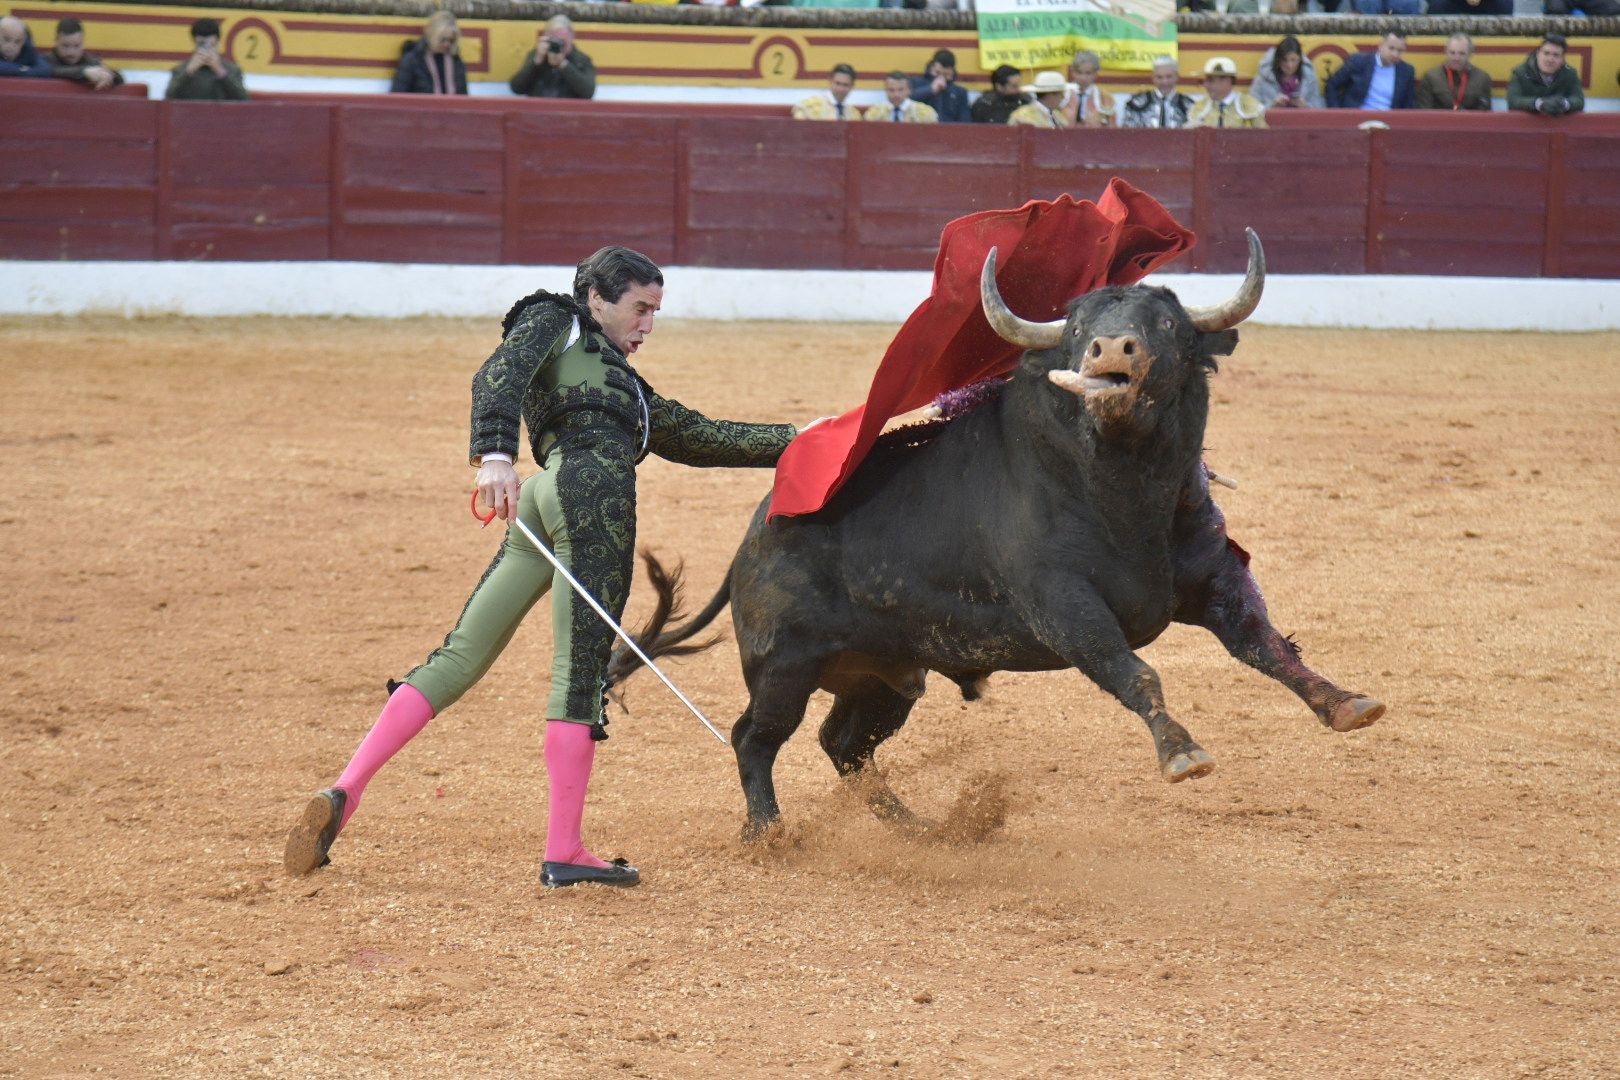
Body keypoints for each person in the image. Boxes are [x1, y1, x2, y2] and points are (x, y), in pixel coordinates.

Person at [283, 247, 808, 889]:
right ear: (596, 298)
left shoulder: (626, 387)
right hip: (591, 495)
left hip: (545, 498)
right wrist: (494, 453)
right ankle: (565, 849)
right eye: (639, 308)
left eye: (656, 312)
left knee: (458, 657)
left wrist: (805, 438)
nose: (648, 325)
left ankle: (346, 791)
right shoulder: (554, 318)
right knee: (577, 675)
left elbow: (696, 435)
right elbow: (498, 376)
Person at [509, 14, 595, 100]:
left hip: (567, 111)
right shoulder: (537, 55)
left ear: (571, 37)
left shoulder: (581, 60)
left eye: (561, 41)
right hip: (539, 109)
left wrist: (564, 65)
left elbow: (588, 92)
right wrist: (535, 62)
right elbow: (516, 88)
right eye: (553, 40)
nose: (557, 45)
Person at [1325, 31, 1415, 111]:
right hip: (1356, 118)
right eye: (1391, 48)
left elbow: (1408, 105)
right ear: (1380, 46)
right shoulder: (1358, 62)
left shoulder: (1406, 71)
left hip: (1389, 122)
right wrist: (1337, 112)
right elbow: (1332, 85)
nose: (1395, 54)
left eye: (1400, 51)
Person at [165, 18, 247, 101]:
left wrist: (220, 71)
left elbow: (243, 99)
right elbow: (169, 97)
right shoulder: (181, 69)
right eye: (201, 44)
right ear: (194, 42)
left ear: (217, 41)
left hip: (222, 113)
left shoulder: (232, 69)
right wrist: (188, 72)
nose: (205, 49)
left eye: (210, 45)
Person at [1507, 33, 1584, 116]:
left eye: (1556, 55)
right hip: (1527, 126)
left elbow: (1579, 100)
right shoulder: (1520, 72)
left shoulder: (1570, 73)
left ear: (1562, 59)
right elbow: (1513, 101)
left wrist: (1564, 104)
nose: (1550, 59)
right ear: (1538, 54)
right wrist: (1539, 104)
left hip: (1559, 125)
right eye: (1546, 53)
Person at [391, 10, 466, 95]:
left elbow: (464, 96)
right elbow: (398, 95)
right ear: (432, 36)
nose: (447, 44)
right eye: (442, 40)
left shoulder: (456, 62)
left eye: (451, 40)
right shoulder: (412, 61)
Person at [1415, 33, 1493, 112]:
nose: (1456, 58)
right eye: (1452, 53)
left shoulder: (1483, 78)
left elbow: (1484, 114)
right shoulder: (1431, 77)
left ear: (1470, 54)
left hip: (1469, 123)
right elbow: (1424, 112)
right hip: (1439, 123)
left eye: (1462, 53)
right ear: (1446, 52)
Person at [1187, 57, 1267, 129]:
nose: (1205, 85)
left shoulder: (1249, 105)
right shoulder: (1199, 107)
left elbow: (1263, 138)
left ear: (1227, 81)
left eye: (1211, 81)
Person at [1249, 36, 1323, 113]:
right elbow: (1251, 108)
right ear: (1278, 60)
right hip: (1272, 123)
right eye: (1284, 60)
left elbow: (1319, 108)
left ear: (1300, 59)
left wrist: (1305, 106)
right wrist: (1272, 106)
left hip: (1301, 123)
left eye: (1293, 60)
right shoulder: (1263, 77)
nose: (1289, 65)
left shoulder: (1309, 77)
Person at [44, 18, 123, 90]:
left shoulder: (91, 62)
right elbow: (52, 71)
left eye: (76, 46)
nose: (71, 52)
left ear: (83, 43)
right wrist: (84, 72)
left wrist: (109, 75)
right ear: (56, 41)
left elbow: (120, 79)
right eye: (65, 46)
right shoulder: (44, 61)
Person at [1121, 56, 1195, 129]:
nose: (1164, 81)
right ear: (1153, 78)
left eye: (1169, 77)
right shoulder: (1136, 104)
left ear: (1177, 77)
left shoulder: (1189, 106)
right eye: (1159, 77)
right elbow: (1127, 134)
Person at [906, 48, 970, 123]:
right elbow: (906, 101)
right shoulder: (916, 83)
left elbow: (965, 121)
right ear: (931, 67)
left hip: (948, 132)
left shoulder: (960, 92)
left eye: (946, 75)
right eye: (937, 73)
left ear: (952, 73)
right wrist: (930, 89)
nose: (941, 78)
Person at [1066, 50, 1116, 128]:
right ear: (1073, 72)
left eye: (1088, 73)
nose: (1083, 78)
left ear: (1096, 73)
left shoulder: (1105, 98)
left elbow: (1112, 129)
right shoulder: (1062, 95)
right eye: (1079, 72)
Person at [866, 71, 938, 123]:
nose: (896, 94)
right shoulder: (874, 113)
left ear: (909, 90)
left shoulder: (925, 112)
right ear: (886, 91)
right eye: (891, 90)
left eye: (900, 90)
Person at [792, 63, 858, 120]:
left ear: (852, 86)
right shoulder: (810, 106)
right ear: (830, 81)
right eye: (837, 83)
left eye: (845, 85)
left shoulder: (854, 114)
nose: (840, 89)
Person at [1007, 71, 1072, 129]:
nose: (1062, 97)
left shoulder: (1057, 115)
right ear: (1050, 95)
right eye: (1060, 94)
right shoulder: (1023, 116)